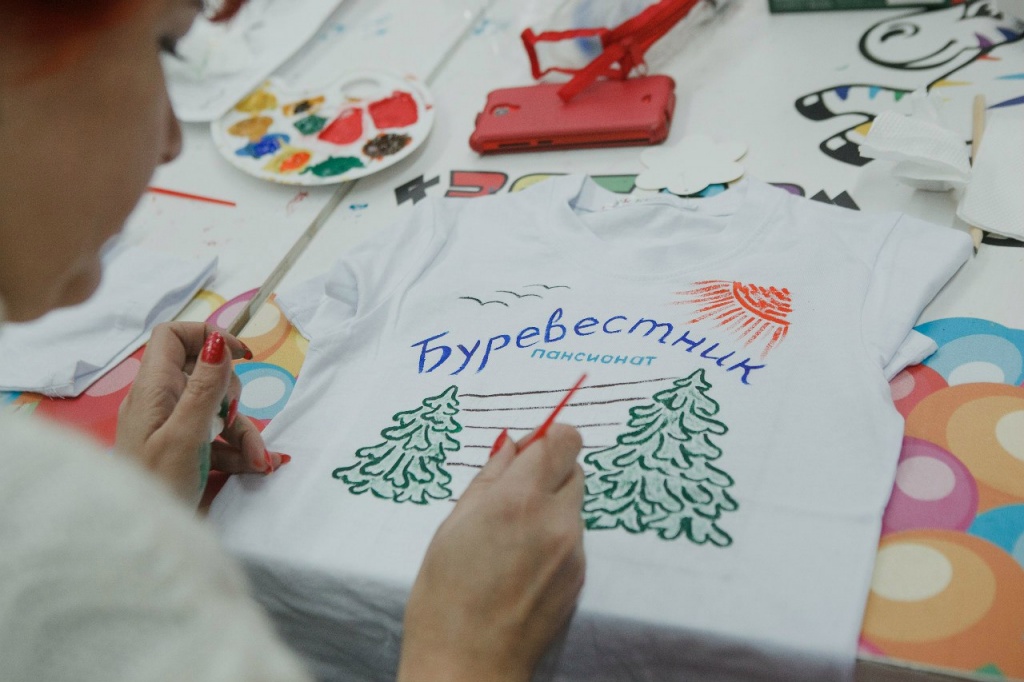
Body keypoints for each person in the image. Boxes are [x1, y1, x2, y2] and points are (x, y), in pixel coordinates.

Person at [0, 1, 586, 680]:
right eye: (163, 47)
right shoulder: (35, 519)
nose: (171, 142)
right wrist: (467, 652)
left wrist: (140, 507)